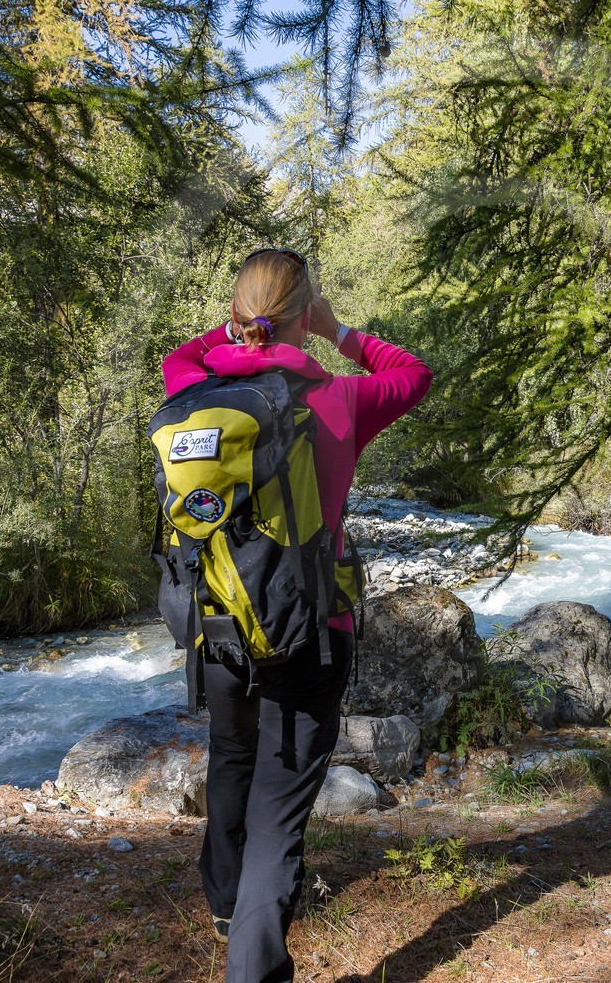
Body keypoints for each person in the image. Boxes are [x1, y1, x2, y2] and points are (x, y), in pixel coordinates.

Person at [161, 248, 431, 983]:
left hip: (217, 625)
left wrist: (233, 329)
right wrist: (339, 330)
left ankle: (226, 899)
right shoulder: (336, 399)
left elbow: (176, 355)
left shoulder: (194, 390)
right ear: (304, 315)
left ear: (239, 310)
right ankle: (252, 963)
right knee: (279, 811)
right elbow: (414, 375)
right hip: (310, 632)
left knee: (232, 757)